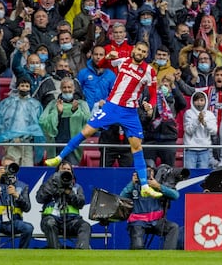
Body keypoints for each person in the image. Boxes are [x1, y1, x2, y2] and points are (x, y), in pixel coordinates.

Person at [45, 41, 162, 198]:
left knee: (137, 147)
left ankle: (145, 186)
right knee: (86, 131)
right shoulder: (123, 59)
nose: (140, 53)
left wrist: (150, 105)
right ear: (134, 49)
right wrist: (107, 57)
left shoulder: (149, 71)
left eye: (143, 51)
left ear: (147, 55)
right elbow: (102, 63)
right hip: (112, 106)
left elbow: (153, 94)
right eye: (138, 49)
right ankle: (58, 158)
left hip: (130, 112)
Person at [0, 77, 45, 166]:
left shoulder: (36, 105)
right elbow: (2, 121)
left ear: (30, 88)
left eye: (27, 86)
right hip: (12, 142)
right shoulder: (9, 103)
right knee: (11, 168)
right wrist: (8, 138)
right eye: (22, 86)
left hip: (28, 143)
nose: (24, 88)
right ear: (18, 87)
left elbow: (38, 125)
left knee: (28, 168)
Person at [36, 160, 91, 249]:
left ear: (72, 173)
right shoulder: (49, 184)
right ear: (57, 172)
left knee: (85, 226)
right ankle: (56, 252)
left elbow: (81, 203)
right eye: (63, 169)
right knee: (50, 223)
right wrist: (52, 185)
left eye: (68, 169)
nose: (66, 171)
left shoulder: (77, 187)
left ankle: (81, 253)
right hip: (51, 219)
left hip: (71, 221)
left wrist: (70, 193)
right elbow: (39, 198)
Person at [120, 168, 180, 250]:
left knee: (173, 227)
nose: (147, 175)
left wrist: (158, 186)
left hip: (156, 221)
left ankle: (168, 255)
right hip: (138, 222)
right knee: (137, 246)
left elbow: (175, 195)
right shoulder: (134, 185)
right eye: (144, 172)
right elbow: (121, 198)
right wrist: (132, 183)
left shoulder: (157, 184)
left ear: (153, 174)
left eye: (149, 172)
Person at [0, 155, 33, 249]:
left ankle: (22, 255)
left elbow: (27, 208)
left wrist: (17, 196)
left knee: (28, 228)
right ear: (0, 168)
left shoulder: (22, 186)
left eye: (11, 166)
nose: (8, 169)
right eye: (5, 167)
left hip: (13, 221)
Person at [39, 77, 90, 165]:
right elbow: (43, 121)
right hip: (56, 144)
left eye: (69, 87)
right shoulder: (52, 104)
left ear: (74, 89)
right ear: (61, 89)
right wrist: (58, 113)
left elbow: (88, 121)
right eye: (64, 87)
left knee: (71, 171)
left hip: (74, 146)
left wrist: (75, 111)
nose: (67, 90)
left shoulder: (82, 104)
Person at [183, 91, 217, 169]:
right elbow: (188, 130)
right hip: (190, 150)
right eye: (197, 100)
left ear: (205, 101)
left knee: (203, 175)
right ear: (192, 101)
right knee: (190, 175)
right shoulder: (188, 113)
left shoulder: (210, 114)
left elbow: (214, 131)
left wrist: (204, 123)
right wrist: (197, 120)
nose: (199, 103)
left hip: (205, 150)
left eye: (201, 100)